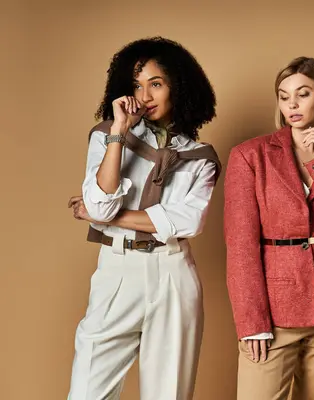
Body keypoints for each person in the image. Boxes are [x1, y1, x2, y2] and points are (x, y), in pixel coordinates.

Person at [66, 36, 221, 400]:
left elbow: (188, 222)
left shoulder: (200, 157)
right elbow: (103, 206)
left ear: (178, 88)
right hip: (117, 270)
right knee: (88, 391)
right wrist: (119, 133)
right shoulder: (106, 135)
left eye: (156, 83)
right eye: (137, 85)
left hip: (173, 274)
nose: (145, 95)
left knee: (169, 393)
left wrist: (105, 217)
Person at [224, 56, 314, 400]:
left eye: (302, 93)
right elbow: (241, 243)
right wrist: (251, 322)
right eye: (284, 95)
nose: (292, 103)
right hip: (273, 312)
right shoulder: (250, 156)